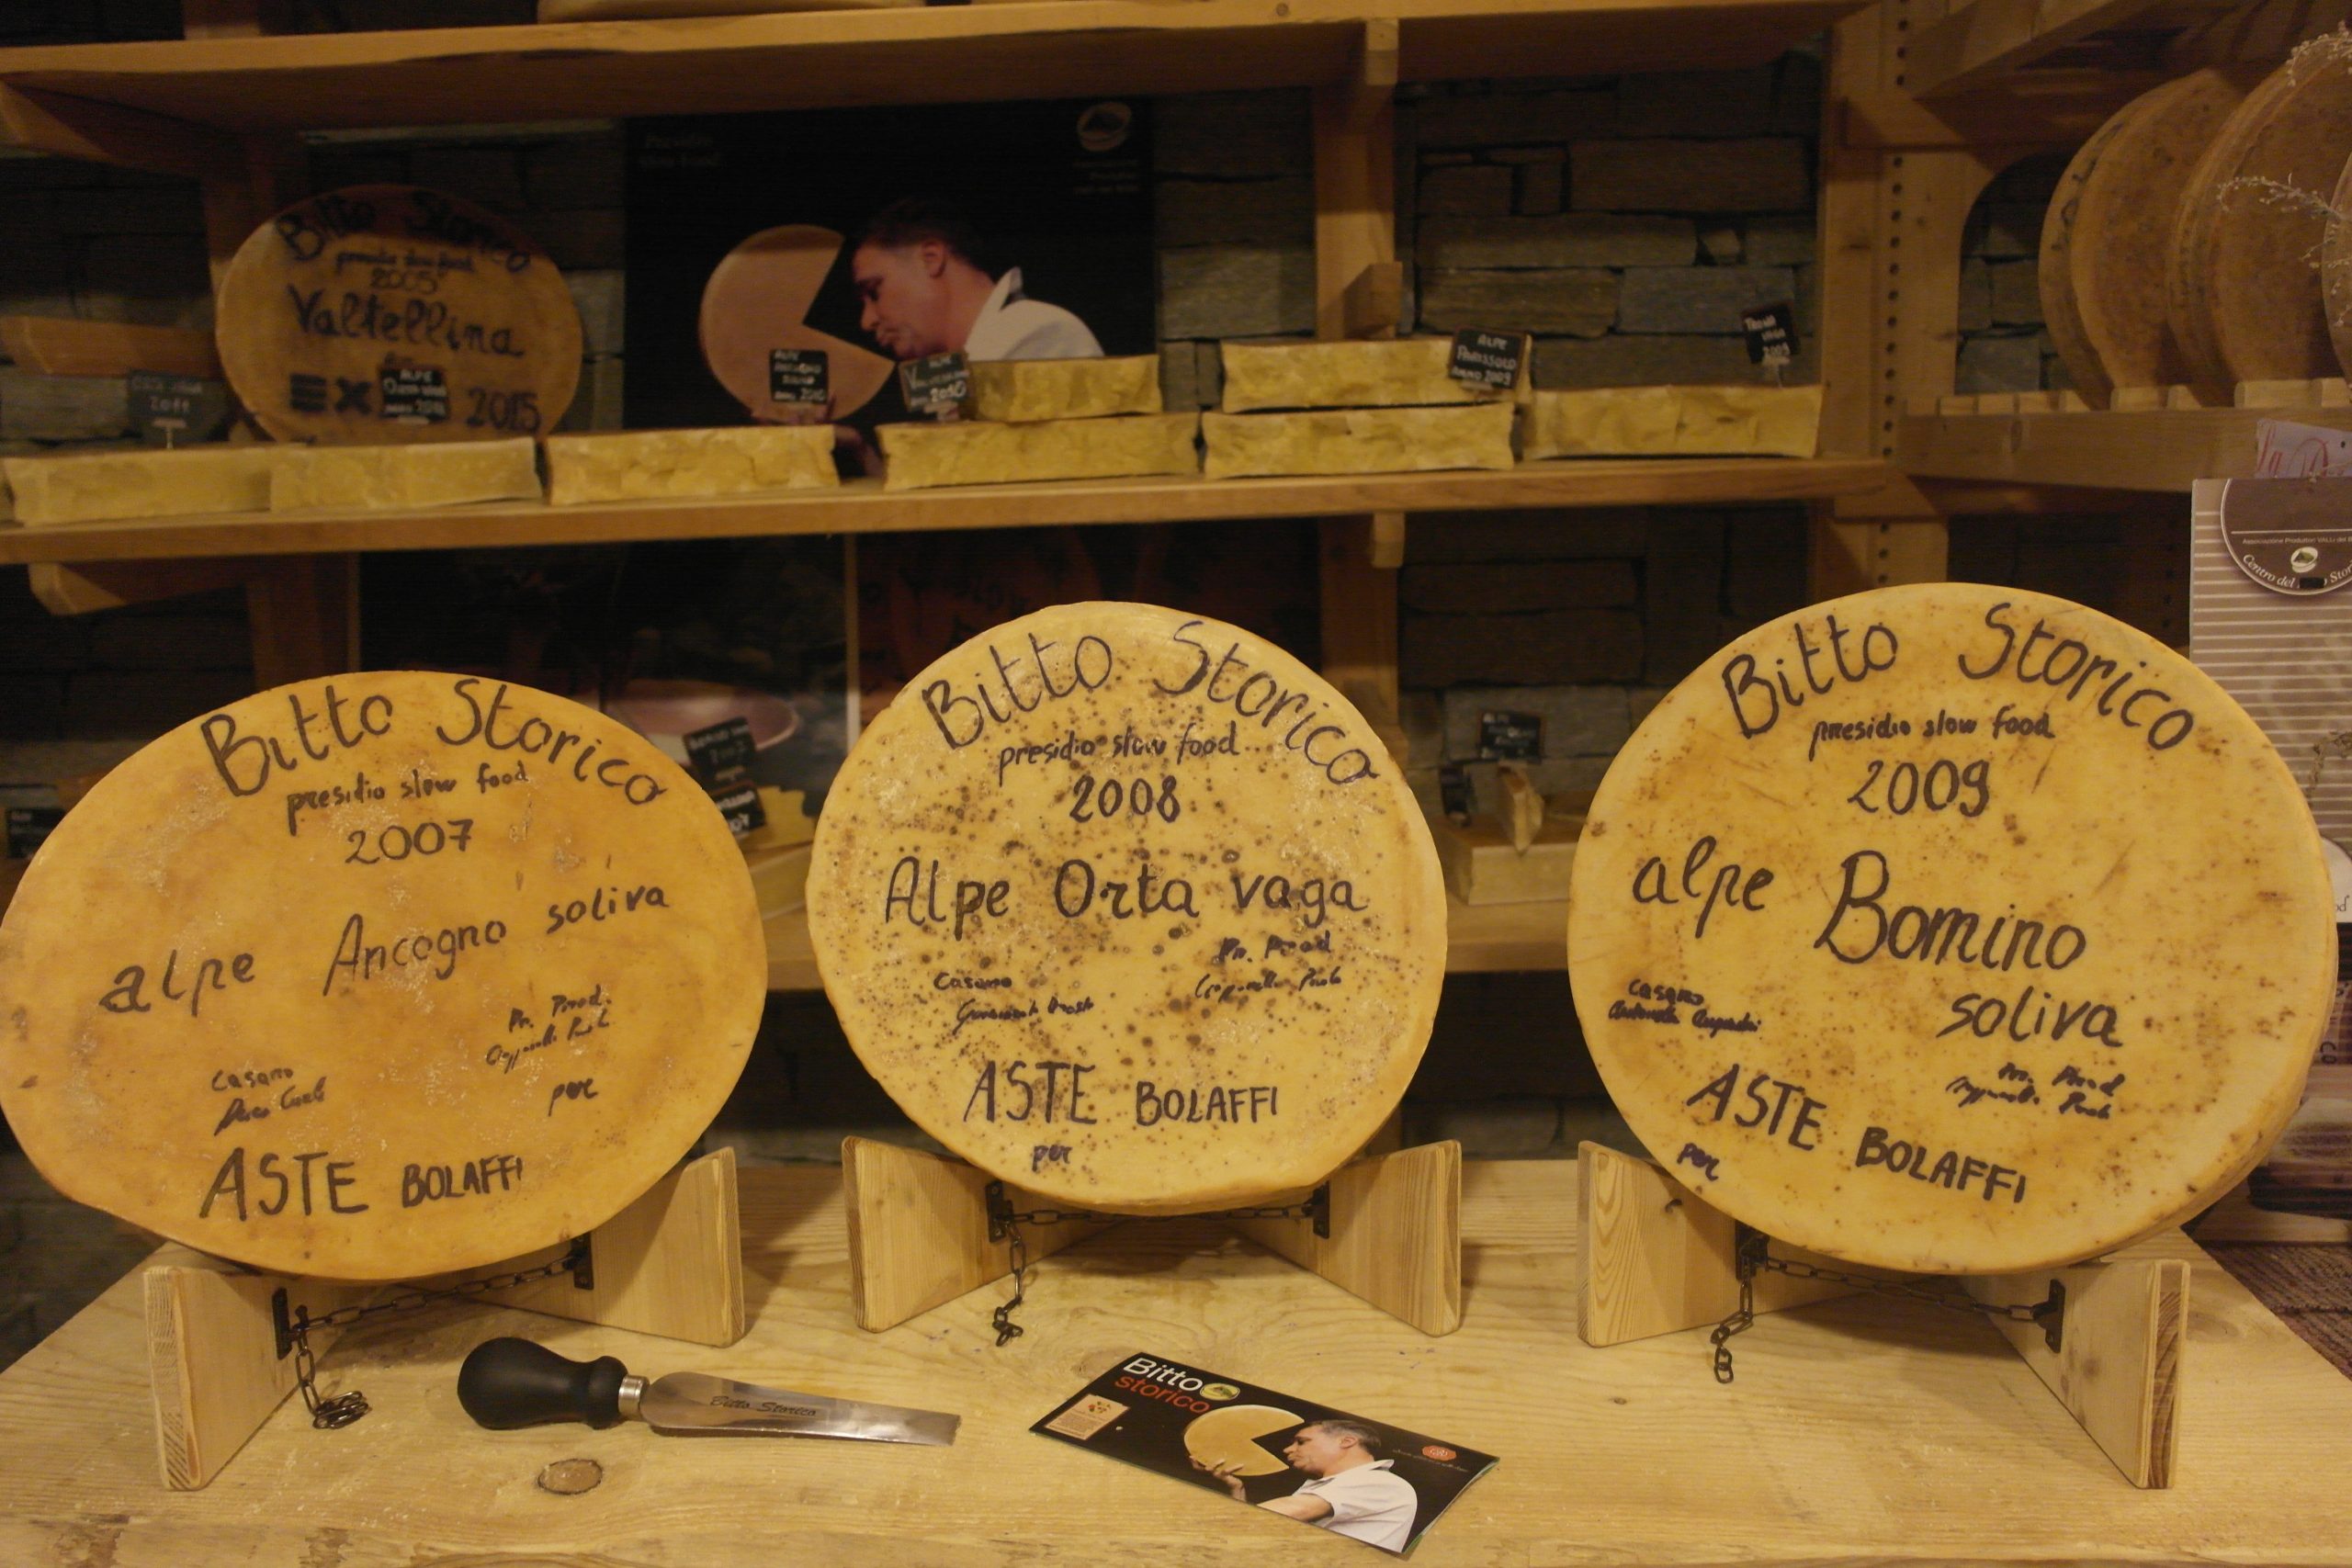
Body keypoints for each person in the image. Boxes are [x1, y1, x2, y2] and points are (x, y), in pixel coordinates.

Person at [849, 197, 1102, 363]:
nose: (867, 321)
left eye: (874, 292)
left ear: (931, 258)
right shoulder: (966, 363)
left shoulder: (1034, 335)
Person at [1197, 1419, 1419, 1552]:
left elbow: (1274, 1516)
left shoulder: (1380, 1482)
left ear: (1347, 1441)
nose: (1288, 1450)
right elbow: (1258, 1529)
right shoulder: (1333, 1486)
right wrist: (1236, 1490)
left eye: (1301, 1442)